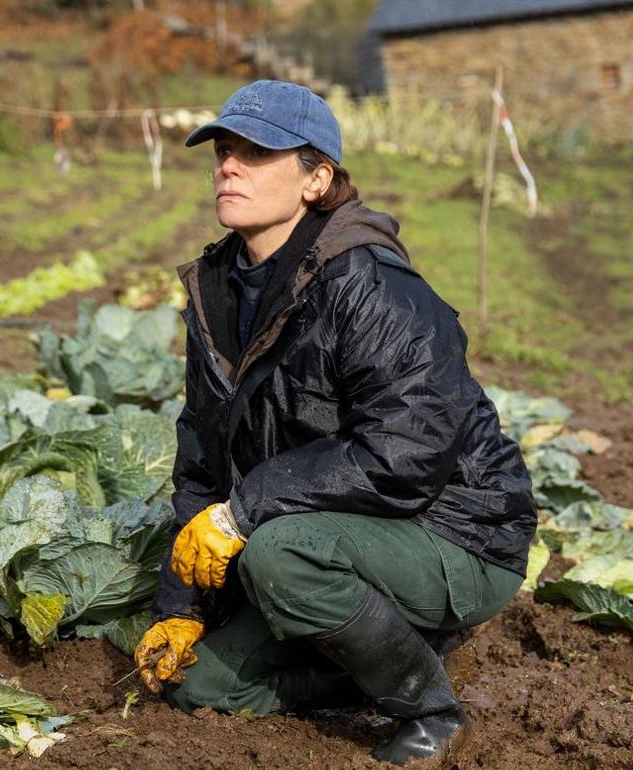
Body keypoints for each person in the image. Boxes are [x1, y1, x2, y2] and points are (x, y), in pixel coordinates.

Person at [133, 79, 537, 766]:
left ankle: (429, 709)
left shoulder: (372, 286)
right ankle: (377, 648)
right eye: (224, 150)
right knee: (195, 682)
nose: (228, 165)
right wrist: (182, 608)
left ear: (317, 178)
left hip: (455, 531)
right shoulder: (218, 292)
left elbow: (405, 456)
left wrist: (244, 512)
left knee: (280, 555)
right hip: (333, 526)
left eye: (256, 153)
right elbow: (201, 462)